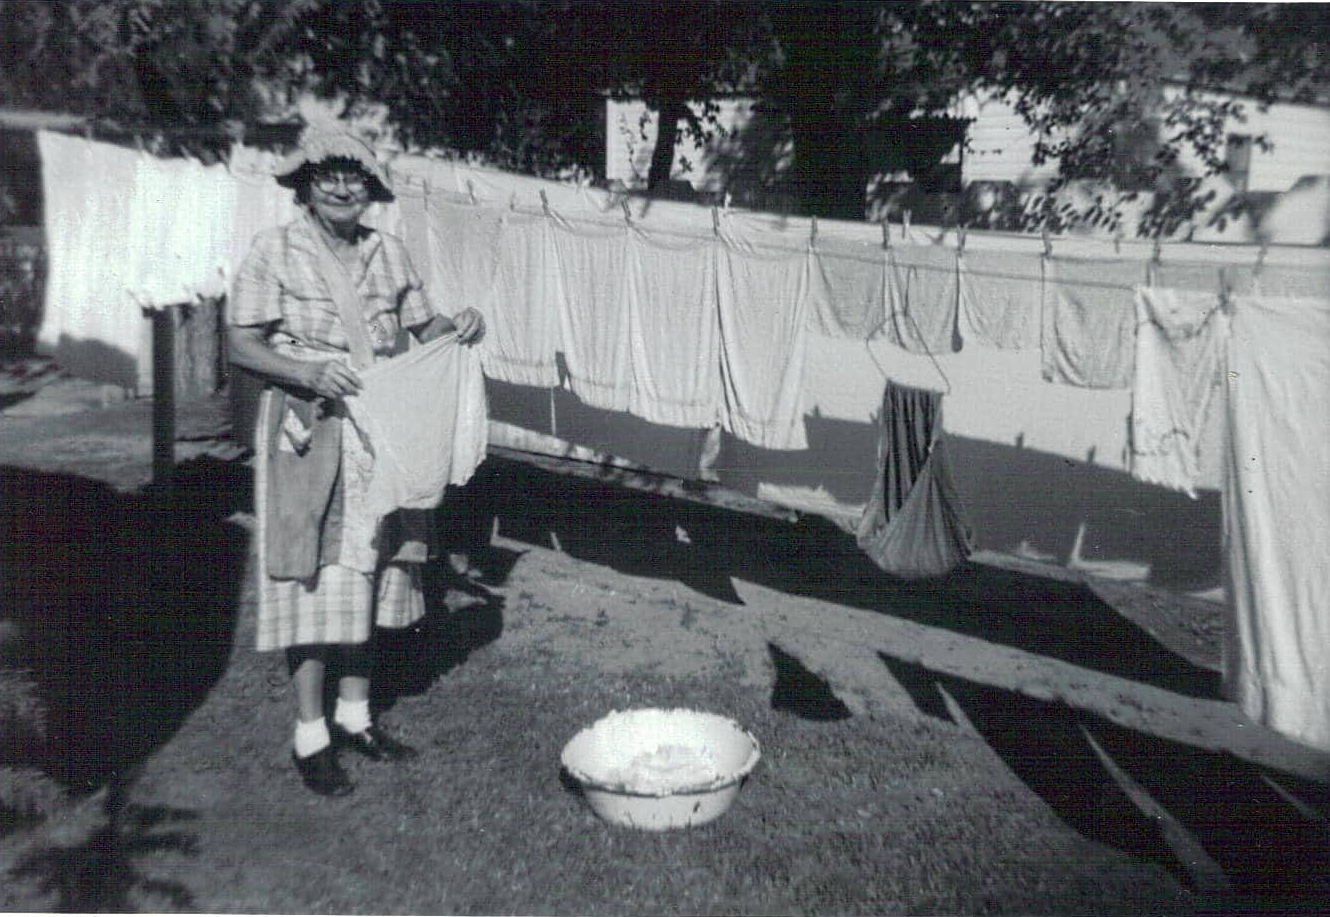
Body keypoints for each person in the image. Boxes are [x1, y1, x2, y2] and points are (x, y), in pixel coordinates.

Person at [226, 128, 485, 796]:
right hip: (307, 430)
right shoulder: (274, 250)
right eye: (328, 174)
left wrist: (462, 326)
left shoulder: (388, 251)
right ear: (305, 184)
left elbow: (428, 330)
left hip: (381, 429)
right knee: (311, 573)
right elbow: (241, 344)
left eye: (355, 176)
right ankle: (309, 733)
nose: (342, 186)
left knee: (366, 574)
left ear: (371, 189)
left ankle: (354, 715)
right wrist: (308, 370)